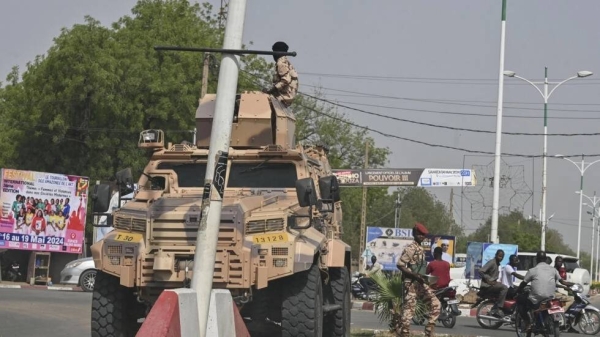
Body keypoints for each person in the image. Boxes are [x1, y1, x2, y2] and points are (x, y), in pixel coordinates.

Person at [397, 223, 441, 337]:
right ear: (415, 234)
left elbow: (420, 267)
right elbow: (400, 265)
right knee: (409, 310)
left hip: (420, 282)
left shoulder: (420, 248)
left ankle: (429, 331)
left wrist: (424, 278)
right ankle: (404, 333)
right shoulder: (411, 248)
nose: (422, 236)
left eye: (423, 235)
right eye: (420, 234)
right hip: (411, 283)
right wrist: (414, 275)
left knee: (436, 304)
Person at [517, 251, 574, 331]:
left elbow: (524, 283)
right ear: (546, 259)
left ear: (536, 259)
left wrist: (518, 291)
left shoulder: (533, 270)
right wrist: (571, 284)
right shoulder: (553, 270)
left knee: (521, 301)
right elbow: (562, 281)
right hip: (550, 297)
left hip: (536, 298)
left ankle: (527, 323)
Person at [263, 41, 298, 107]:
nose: (273, 55)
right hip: (286, 97)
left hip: (283, 97)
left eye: (273, 52)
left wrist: (270, 91)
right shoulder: (286, 62)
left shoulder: (281, 63)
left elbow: (285, 80)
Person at [478, 249, 509, 317]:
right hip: (487, 285)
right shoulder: (492, 262)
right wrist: (488, 280)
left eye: (502, 257)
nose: (500, 258)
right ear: (496, 255)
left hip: (493, 284)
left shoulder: (497, 264)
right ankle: (499, 307)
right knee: (504, 288)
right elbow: (481, 271)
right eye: (499, 256)